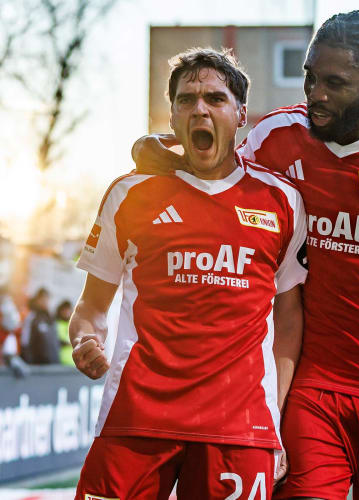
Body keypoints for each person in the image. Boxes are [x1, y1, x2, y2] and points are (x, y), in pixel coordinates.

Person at [132, 11, 359, 500]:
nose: (315, 94)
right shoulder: (276, 137)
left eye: (334, 83)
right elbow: (217, 179)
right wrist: (159, 156)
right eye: (310, 76)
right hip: (310, 389)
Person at [71, 48, 307, 499]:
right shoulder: (129, 193)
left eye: (215, 99)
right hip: (136, 419)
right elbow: (91, 307)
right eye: (186, 99)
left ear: (241, 115)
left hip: (239, 427)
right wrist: (85, 339)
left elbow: (289, 318)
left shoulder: (281, 201)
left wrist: (272, 417)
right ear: (173, 115)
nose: (200, 108)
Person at [25, 287, 60, 364]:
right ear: (37, 300)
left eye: (47, 299)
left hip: (54, 362)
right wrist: (29, 362)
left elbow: (55, 341)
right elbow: (25, 341)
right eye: (43, 299)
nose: (45, 301)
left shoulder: (51, 318)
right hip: (38, 365)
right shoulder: (32, 316)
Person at [55, 300, 74, 365]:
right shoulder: (56, 324)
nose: (66, 312)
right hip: (60, 362)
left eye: (68, 310)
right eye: (64, 310)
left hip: (74, 362)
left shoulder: (73, 325)